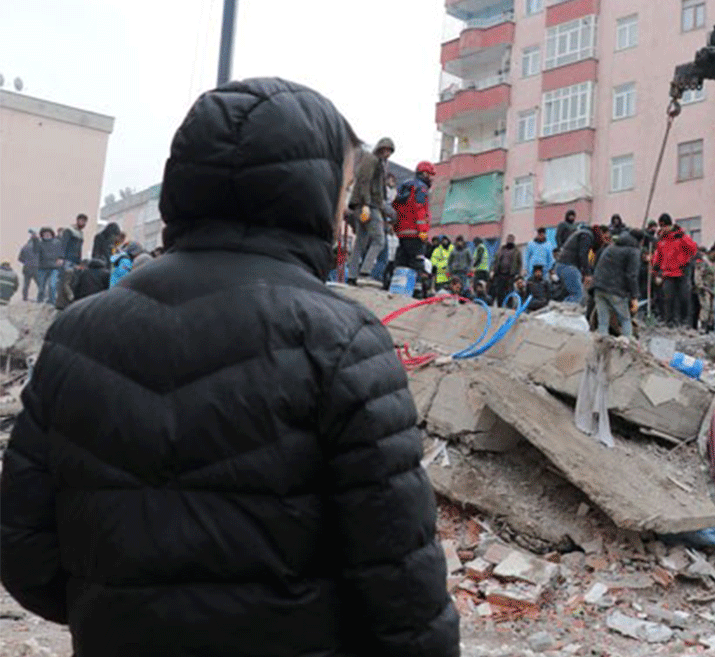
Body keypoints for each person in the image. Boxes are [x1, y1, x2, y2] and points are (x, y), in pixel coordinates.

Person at [0, 78, 458, 657]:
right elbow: (404, 589)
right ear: (310, 194)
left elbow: (26, 555)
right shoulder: (344, 341)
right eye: (343, 188)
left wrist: (124, 610)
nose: (345, 209)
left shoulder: (77, 335)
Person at [345, 137, 394, 286]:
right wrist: (366, 204)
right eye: (385, 149)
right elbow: (364, 181)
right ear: (379, 148)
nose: (387, 153)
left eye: (390, 151)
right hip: (368, 205)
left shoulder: (378, 163)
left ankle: (352, 276)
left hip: (369, 205)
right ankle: (364, 272)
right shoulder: (371, 159)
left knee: (360, 241)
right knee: (379, 240)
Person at [386, 161, 434, 292]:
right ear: (424, 174)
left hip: (402, 233)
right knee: (417, 264)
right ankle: (417, 291)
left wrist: (394, 226)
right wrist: (423, 232)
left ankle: (397, 288)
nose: (432, 178)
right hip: (415, 233)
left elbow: (395, 207)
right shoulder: (421, 188)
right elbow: (420, 210)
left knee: (401, 262)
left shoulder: (404, 186)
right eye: (430, 175)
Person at [592, 229, 641, 337]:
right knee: (625, 319)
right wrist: (634, 297)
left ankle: (601, 347)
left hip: (598, 287)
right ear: (640, 241)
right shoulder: (633, 251)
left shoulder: (612, 246)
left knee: (603, 322)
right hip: (615, 291)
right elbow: (631, 276)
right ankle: (627, 346)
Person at [651, 214, 698, 327]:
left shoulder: (681, 236)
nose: (662, 229)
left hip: (682, 271)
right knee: (668, 298)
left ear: (668, 225)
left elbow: (693, 249)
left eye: (663, 226)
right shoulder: (662, 240)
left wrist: (682, 237)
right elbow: (658, 256)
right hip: (668, 272)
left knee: (684, 298)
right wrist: (655, 269)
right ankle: (669, 322)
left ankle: (686, 322)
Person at [556, 225, 595, 305]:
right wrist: (587, 274)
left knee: (573, 294)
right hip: (568, 266)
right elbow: (583, 255)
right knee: (577, 295)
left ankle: (560, 310)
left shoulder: (578, 234)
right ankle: (561, 313)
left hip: (562, 265)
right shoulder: (586, 236)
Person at [35, 227, 64, 304]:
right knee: (41, 287)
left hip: (54, 268)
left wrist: (61, 259)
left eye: (48, 234)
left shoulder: (57, 242)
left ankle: (52, 302)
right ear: (42, 235)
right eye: (45, 234)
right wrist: (34, 239)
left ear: (52, 234)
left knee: (52, 285)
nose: (47, 235)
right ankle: (39, 301)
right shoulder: (39, 243)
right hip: (42, 267)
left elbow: (61, 253)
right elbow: (35, 251)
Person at [492, 234, 523, 304]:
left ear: (513, 240)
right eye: (508, 239)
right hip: (500, 274)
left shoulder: (516, 251)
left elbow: (520, 263)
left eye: (511, 239)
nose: (509, 241)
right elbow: (496, 260)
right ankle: (500, 306)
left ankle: (509, 307)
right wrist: (494, 270)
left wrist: (518, 274)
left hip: (510, 275)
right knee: (500, 293)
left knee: (509, 292)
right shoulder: (502, 249)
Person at [694, 247, 715, 332]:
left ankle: (710, 325)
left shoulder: (713, 263)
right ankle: (703, 325)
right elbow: (698, 275)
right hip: (704, 288)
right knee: (705, 307)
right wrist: (700, 286)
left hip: (712, 288)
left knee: (712, 308)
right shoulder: (703, 262)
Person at [18, 230, 38, 302]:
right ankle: (41, 297)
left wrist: (26, 262)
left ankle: (24, 298)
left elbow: (20, 258)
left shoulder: (25, 246)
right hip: (36, 268)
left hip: (26, 268)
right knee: (39, 284)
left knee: (26, 284)